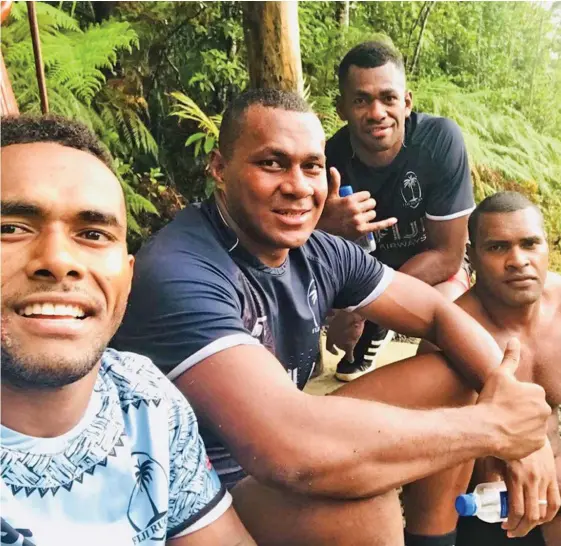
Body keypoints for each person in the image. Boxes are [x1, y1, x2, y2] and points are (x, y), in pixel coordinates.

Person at [113, 88, 555, 545]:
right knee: (362, 504)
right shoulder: (181, 271)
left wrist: (524, 428)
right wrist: (492, 431)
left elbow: (440, 314)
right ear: (220, 169)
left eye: (311, 166)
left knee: (458, 371)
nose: (299, 186)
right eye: (272, 163)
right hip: (191, 489)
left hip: (273, 447)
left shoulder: (319, 251)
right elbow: (289, 447)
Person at [0, 116, 256, 546]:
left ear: (129, 276)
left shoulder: (143, 399)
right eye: (11, 228)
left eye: (93, 233)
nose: (60, 259)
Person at [403, 192, 560, 546]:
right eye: (498, 247)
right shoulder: (451, 337)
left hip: (552, 496)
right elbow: (427, 467)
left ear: (547, 247)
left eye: (530, 244)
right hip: (481, 510)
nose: (518, 261)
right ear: (471, 257)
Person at [321, 41, 473, 381]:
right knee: (336, 351)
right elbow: (307, 248)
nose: (377, 113)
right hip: (366, 268)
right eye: (361, 100)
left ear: (406, 103)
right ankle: (373, 327)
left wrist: (363, 307)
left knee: (449, 327)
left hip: (431, 266)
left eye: (388, 98)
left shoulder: (439, 141)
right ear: (341, 108)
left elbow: (448, 255)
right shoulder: (331, 159)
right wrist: (328, 226)